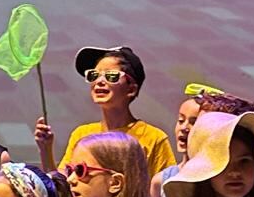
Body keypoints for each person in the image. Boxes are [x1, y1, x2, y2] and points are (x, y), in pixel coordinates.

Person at [35, 45, 174, 179]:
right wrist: (45, 149)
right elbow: (61, 191)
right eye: (94, 75)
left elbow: (165, 194)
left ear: (131, 89)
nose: (99, 81)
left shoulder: (153, 138)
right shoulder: (81, 134)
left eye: (111, 76)